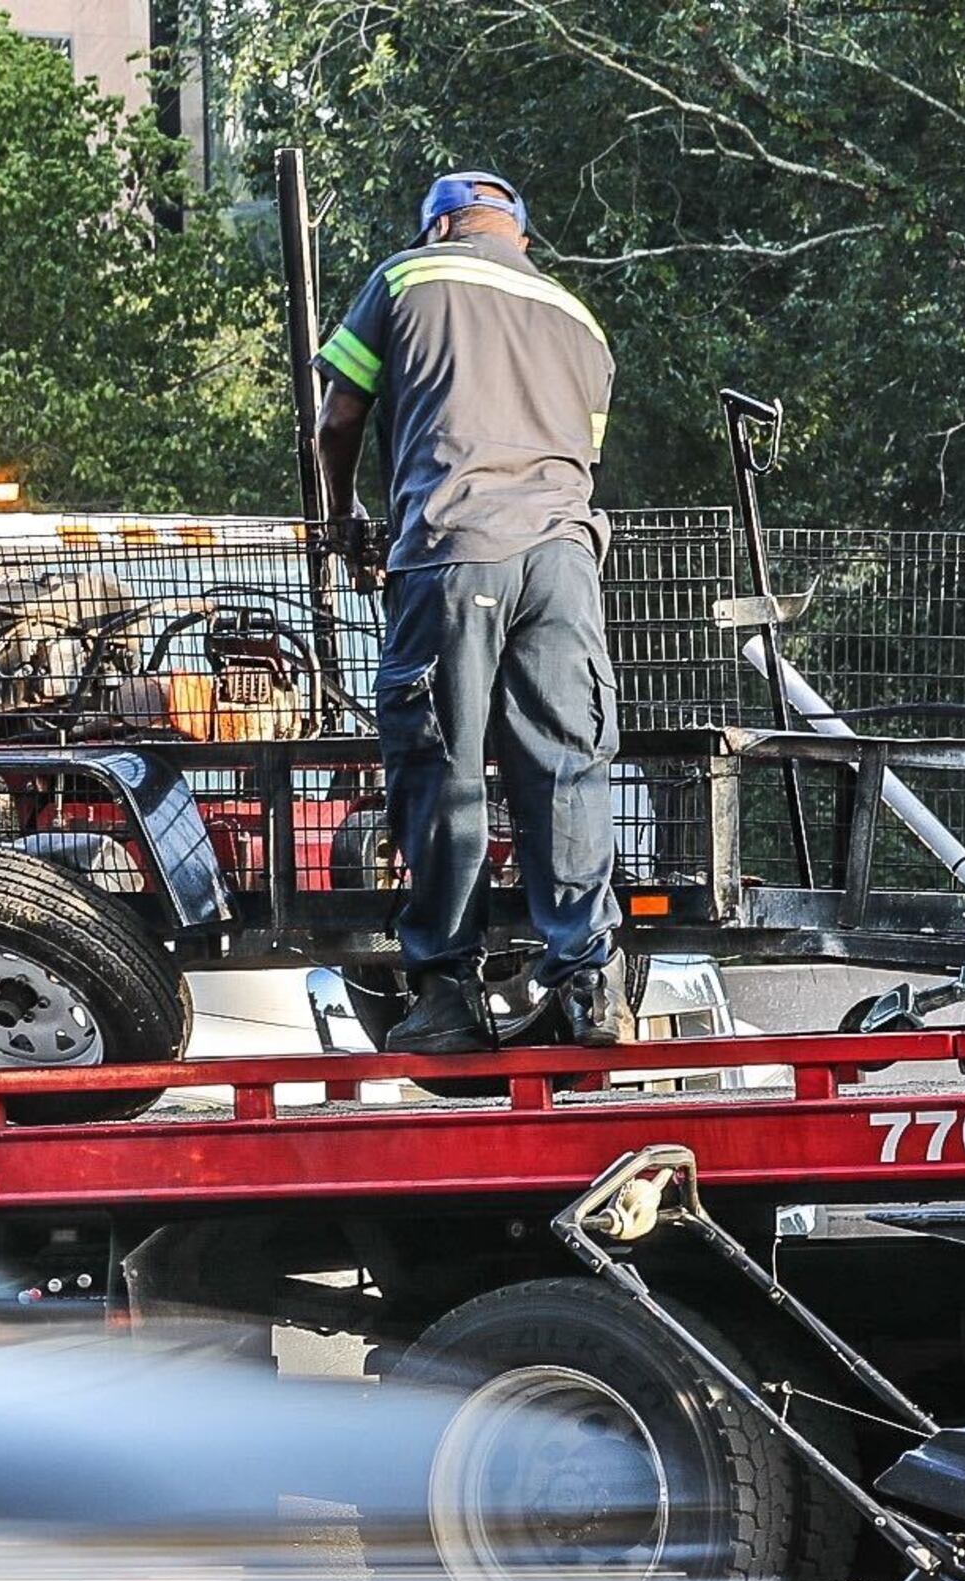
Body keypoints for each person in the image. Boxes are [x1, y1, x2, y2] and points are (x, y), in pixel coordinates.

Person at [311, 171, 625, 1053]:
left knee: (443, 765)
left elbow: (336, 420)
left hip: (455, 549)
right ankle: (588, 987)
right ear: (519, 233)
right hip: (565, 562)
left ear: (443, 223)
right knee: (567, 768)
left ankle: (447, 992)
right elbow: (578, 453)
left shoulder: (409, 277)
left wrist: (345, 522)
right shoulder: (580, 319)